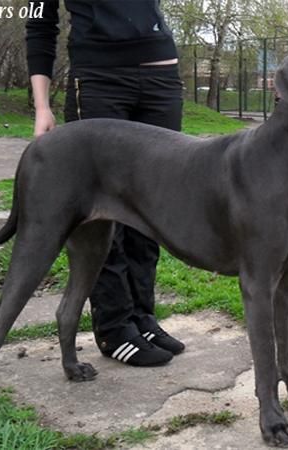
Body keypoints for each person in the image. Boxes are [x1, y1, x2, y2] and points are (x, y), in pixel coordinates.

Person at [26, 0, 185, 367]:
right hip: (99, 80)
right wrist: (42, 107)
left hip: (160, 76)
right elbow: (39, 25)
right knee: (105, 210)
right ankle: (115, 327)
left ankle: (142, 317)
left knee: (152, 205)